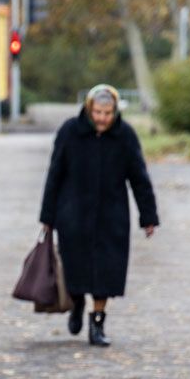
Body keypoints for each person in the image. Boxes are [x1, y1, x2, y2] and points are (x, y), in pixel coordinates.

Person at [39, 84, 158, 346]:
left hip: (111, 216)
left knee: (106, 273)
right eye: (98, 112)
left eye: (107, 112)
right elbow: (54, 175)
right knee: (75, 268)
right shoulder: (70, 132)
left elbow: (139, 177)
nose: (102, 118)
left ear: (115, 112)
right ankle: (78, 303)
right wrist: (47, 216)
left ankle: (97, 325)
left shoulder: (125, 136)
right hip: (73, 215)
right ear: (88, 109)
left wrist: (148, 216)